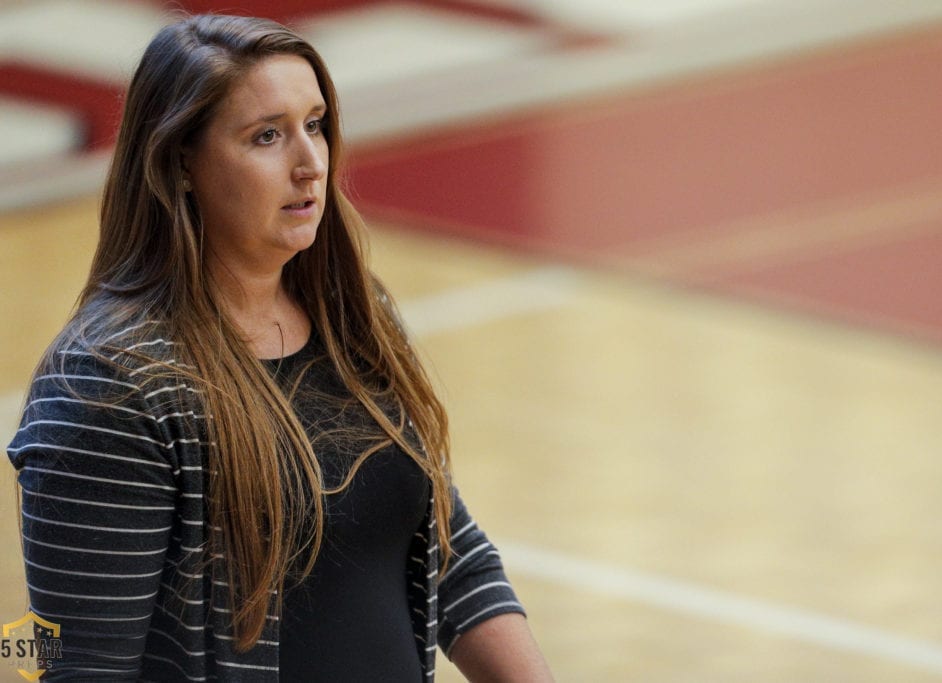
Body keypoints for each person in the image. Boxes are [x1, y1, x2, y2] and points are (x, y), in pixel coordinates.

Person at [7, 13, 553, 682]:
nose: (309, 163)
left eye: (315, 124)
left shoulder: (353, 313)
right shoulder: (109, 383)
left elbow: (446, 550)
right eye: (267, 136)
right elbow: (84, 667)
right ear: (180, 162)